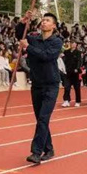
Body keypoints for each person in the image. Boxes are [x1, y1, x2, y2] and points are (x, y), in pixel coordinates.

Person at [16, 11, 64, 163]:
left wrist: (28, 47)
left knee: (43, 118)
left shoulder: (57, 42)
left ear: (54, 26)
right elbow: (20, 35)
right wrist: (24, 21)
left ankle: (36, 152)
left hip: (51, 84)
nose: (44, 22)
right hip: (36, 84)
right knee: (40, 119)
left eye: (47, 20)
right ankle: (49, 149)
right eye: (43, 20)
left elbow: (46, 56)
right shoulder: (34, 38)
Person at [61, 40, 83, 107]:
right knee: (67, 87)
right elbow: (63, 61)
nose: (73, 44)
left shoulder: (78, 52)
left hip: (75, 72)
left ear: (76, 45)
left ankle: (78, 101)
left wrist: (77, 68)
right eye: (71, 43)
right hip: (67, 72)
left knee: (77, 88)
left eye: (74, 43)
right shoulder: (66, 52)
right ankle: (66, 100)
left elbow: (79, 61)